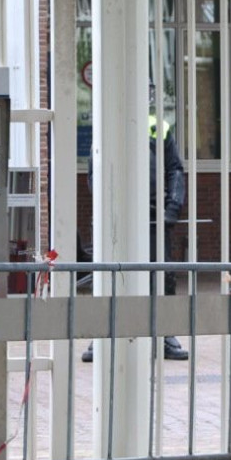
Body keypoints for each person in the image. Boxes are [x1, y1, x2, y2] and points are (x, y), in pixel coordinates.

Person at [83, 109, 189, 362]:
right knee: (106, 274)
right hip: (114, 215)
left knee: (163, 276)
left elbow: (175, 169)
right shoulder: (106, 119)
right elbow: (94, 172)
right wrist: (106, 208)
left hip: (152, 212)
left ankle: (164, 334)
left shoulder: (157, 127)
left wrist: (172, 207)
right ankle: (100, 336)